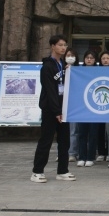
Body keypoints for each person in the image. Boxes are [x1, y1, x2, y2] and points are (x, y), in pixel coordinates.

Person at [31, 34, 76, 183]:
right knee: (46, 140)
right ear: (53, 46)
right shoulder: (47, 67)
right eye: (60, 45)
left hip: (64, 108)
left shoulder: (63, 64)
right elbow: (50, 90)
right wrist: (57, 111)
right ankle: (37, 171)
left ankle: (62, 170)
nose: (63, 48)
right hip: (51, 110)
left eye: (65, 45)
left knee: (64, 142)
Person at [76, 50, 99, 168]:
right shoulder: (79, 71)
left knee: (93, 134)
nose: (89, 60)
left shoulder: (99, 71)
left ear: (95, 60)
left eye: (91, 58)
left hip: (95, 107)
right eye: (87, 57)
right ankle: (81, 157)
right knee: (82, 133)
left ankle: (90, 157)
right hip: (82, 107)